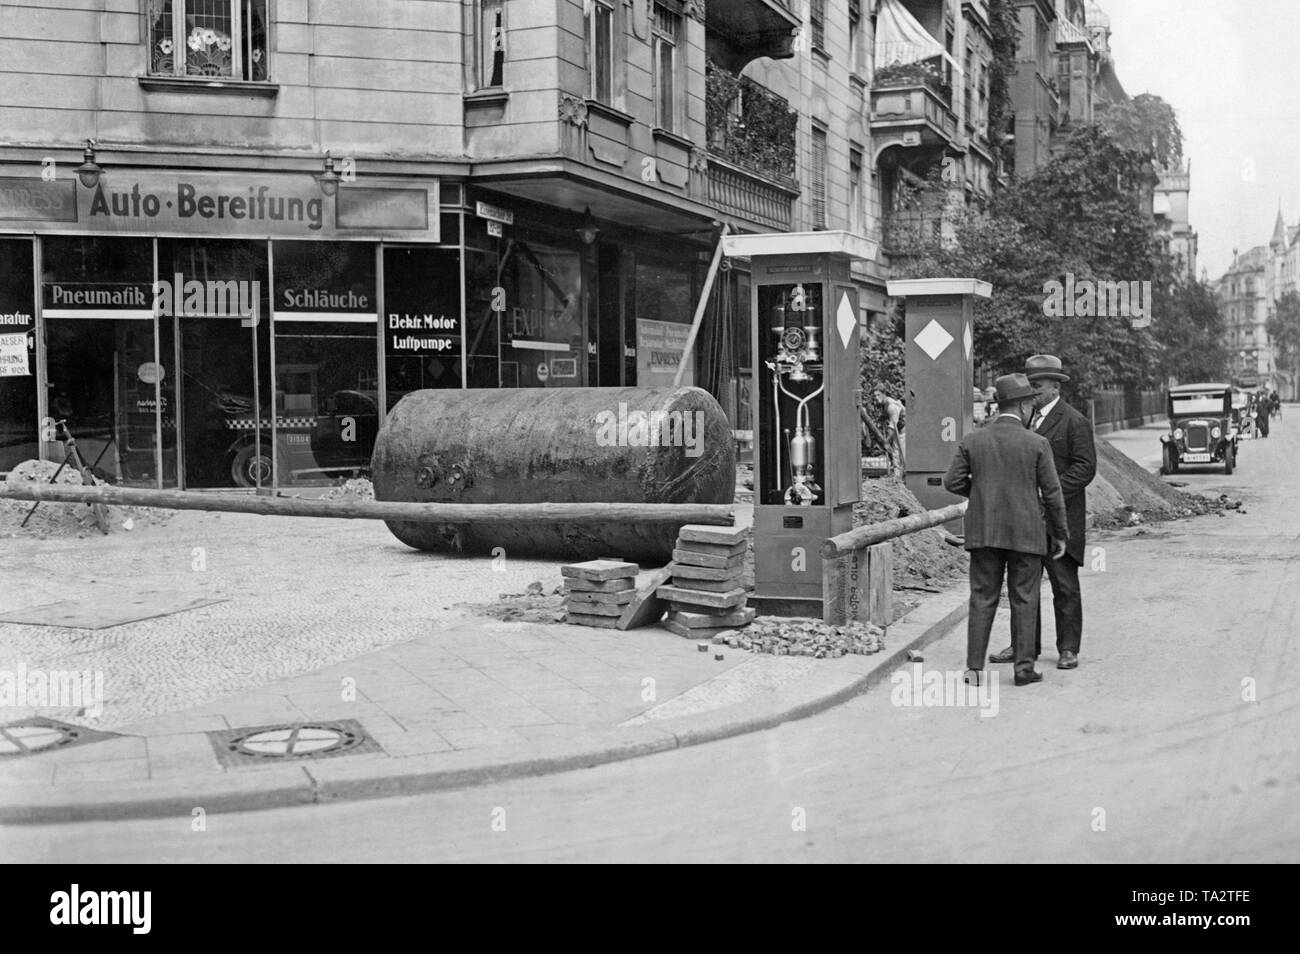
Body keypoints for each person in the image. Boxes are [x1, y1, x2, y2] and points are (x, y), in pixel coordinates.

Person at [944, 373, 1069, 688]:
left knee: (982, 597)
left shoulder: (974, 439)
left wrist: (983, 492)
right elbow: (1052, 494)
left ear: (999, 406)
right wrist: (1060, 534)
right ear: (1025, 406)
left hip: (984, 532)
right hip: (1027, 533)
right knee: (1024, 598)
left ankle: (974, 670)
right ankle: (1023, 670)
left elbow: (952, 482)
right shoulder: (1037, 443)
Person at [989, 355, 1097, 670]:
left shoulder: (1074, 421)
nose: (1033, 391)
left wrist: (1047, 491)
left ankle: (1068, 649)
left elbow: (1085, 469)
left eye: (1037, 386)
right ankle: (1024, 646)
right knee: (1023, 586)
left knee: (1064, 586)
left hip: (1059, 521)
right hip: (1024, 520)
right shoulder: (1023, 419)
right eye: (1030, 386)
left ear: (1055, 386)